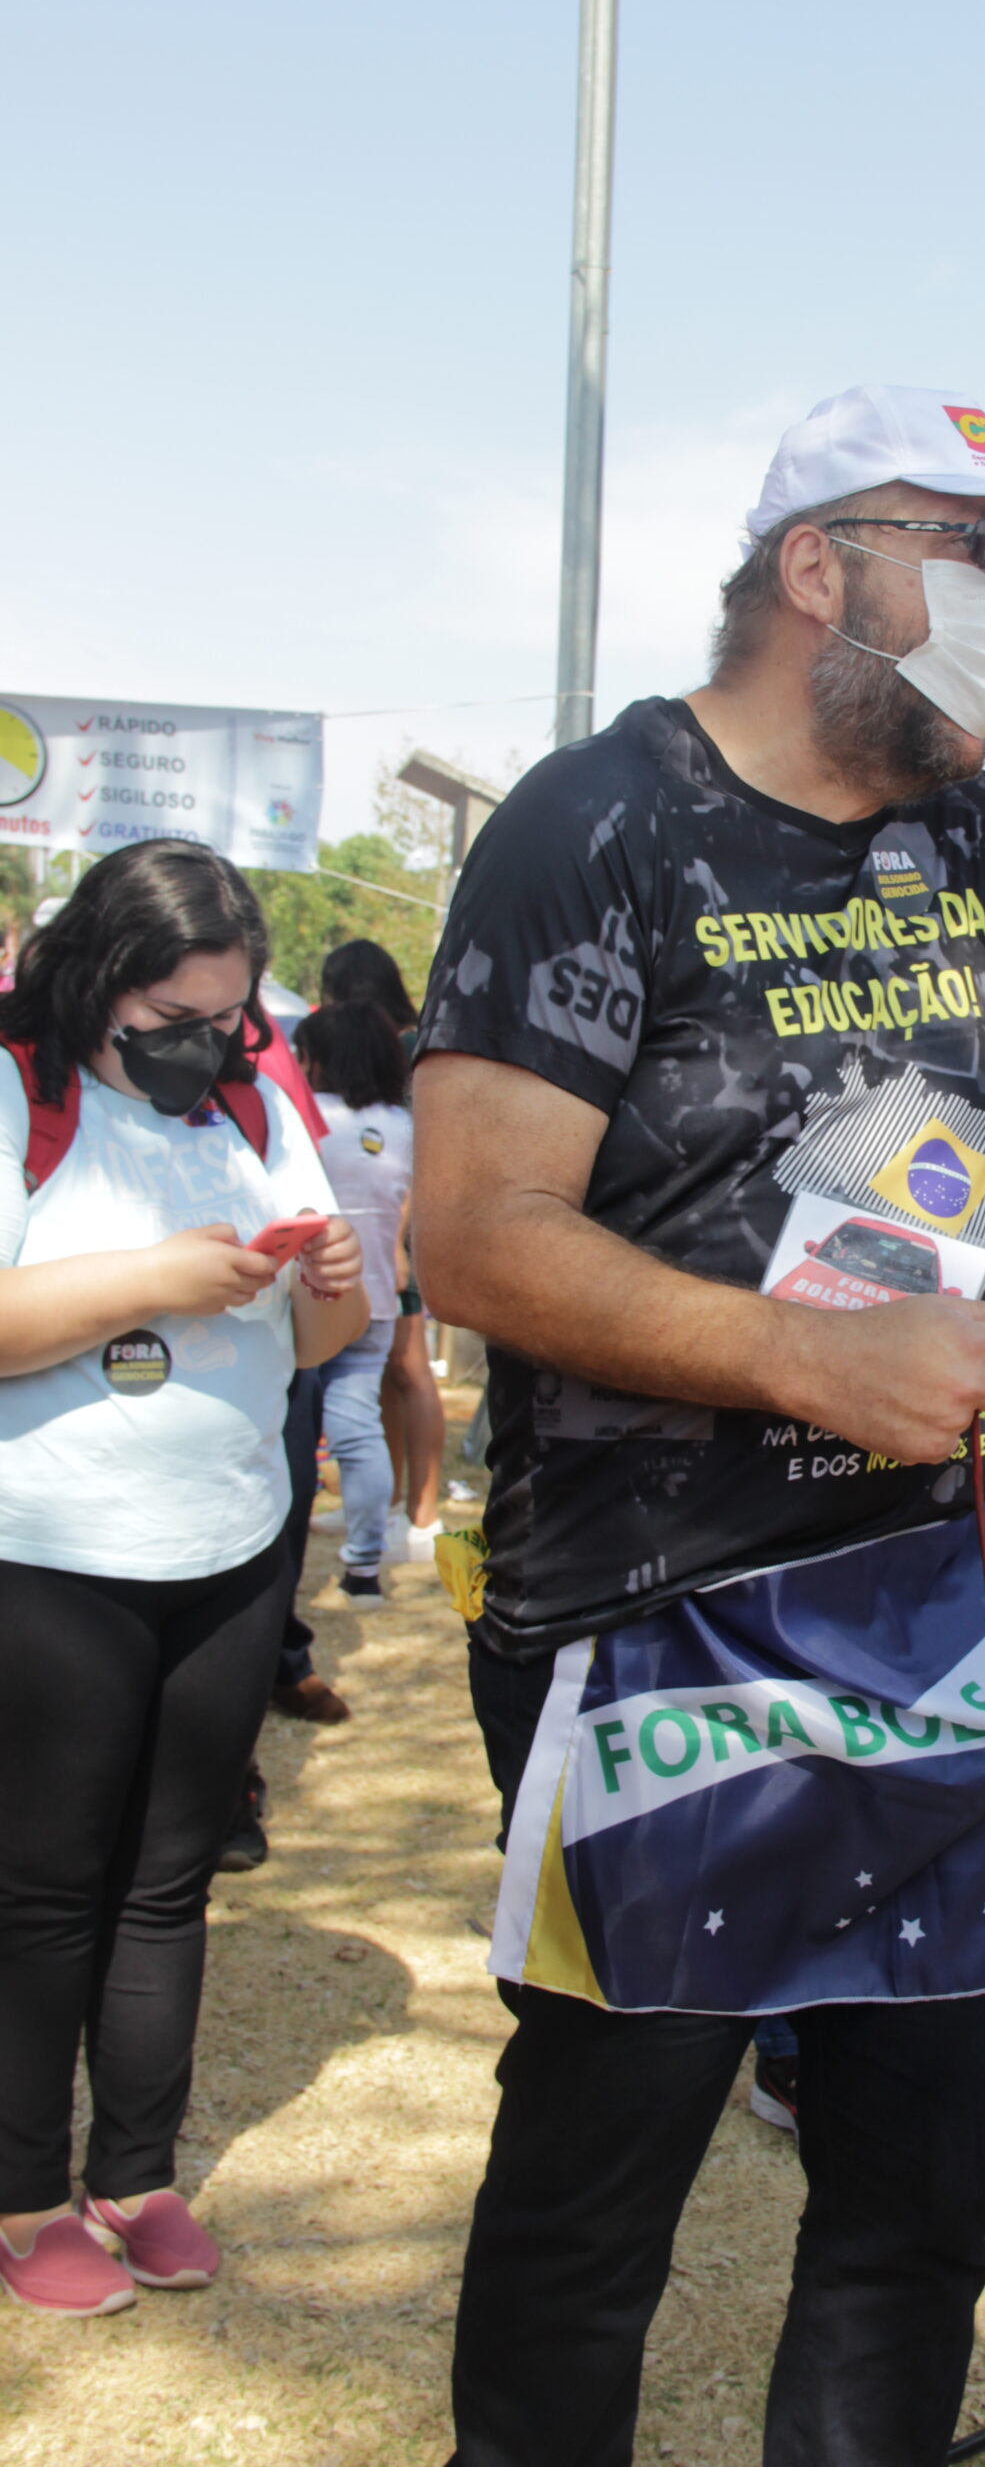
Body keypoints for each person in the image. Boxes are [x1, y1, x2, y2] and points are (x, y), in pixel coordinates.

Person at [411, 382, 985, 2467]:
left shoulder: (973, 835)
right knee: (594, 2203)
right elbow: (472, 1233)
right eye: (981, 547)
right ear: (816, 568)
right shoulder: (597, 819)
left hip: (942, 1606)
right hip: (656, 1616)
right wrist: (795, 1359)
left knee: (918, 2202)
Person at [0, 841, 366, 2317]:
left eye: (227, 1018)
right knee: (44, 1891)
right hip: (52, 1557)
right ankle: (26, 2196)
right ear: (99, 980)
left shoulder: (250, 1109)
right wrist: (155, 1280)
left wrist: (330, 1282)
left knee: (168, 1886)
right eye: (171, 1019)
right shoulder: (23, 1098)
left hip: (230, 1545)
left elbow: (316, 1346)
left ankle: (137, 2176)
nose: (204, 1044)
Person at [322, 941, 445, 1561]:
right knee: (385, 1376)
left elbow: (420, 1147)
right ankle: (388, 1502)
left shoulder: (410, 1046)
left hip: (403, 1231)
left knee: (411, 1368)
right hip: (380, 1231)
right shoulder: (398, 1041)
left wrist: (401, 1240)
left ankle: (423, 1517)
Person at [296, 1002, 414, 1601]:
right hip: (376, 1297)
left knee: (289, 1432)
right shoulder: (402, 1126)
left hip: (303, 1302)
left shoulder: (302, 1116)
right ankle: (365, 1568)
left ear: (318, 1058)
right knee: (359, 1431)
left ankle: (280, 1568)